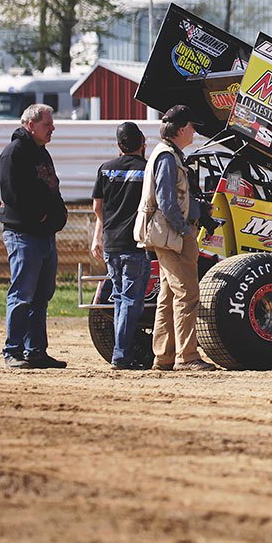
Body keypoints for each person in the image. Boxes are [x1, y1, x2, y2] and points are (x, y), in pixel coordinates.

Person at [142, 105, 214, 372]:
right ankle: (188, 356)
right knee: (187, 293)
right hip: (173, 236)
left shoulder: (168, 155)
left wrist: (197, 210)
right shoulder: (168, 158)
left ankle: (164, 356)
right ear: (181, 129)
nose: (194, 131)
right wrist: (185, 229)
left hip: (168, 234)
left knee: (169, 295)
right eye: (192, 127)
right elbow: (167, 202)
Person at [0, 104, 70, 369]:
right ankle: (13, 350)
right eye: (47, 124)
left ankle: (35, 351)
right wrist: (37, 216)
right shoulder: (14, 153)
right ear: (31, 124)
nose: (52, 128)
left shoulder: (42, 153)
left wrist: (58, 214)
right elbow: (11, 194)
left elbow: (52, 186)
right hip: (23, 234)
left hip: (44, 234)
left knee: (41, 295)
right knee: (22, 293)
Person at [92, 122, 153, 370]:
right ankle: (121, 355)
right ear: (142, 143)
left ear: (119, 146)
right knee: (131, 301)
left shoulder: (105, 170)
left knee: (119, 298)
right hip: (136, 245)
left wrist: (99, 236)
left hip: (111, 244)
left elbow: (98, 207)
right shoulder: (147, 170)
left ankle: (121, 351)